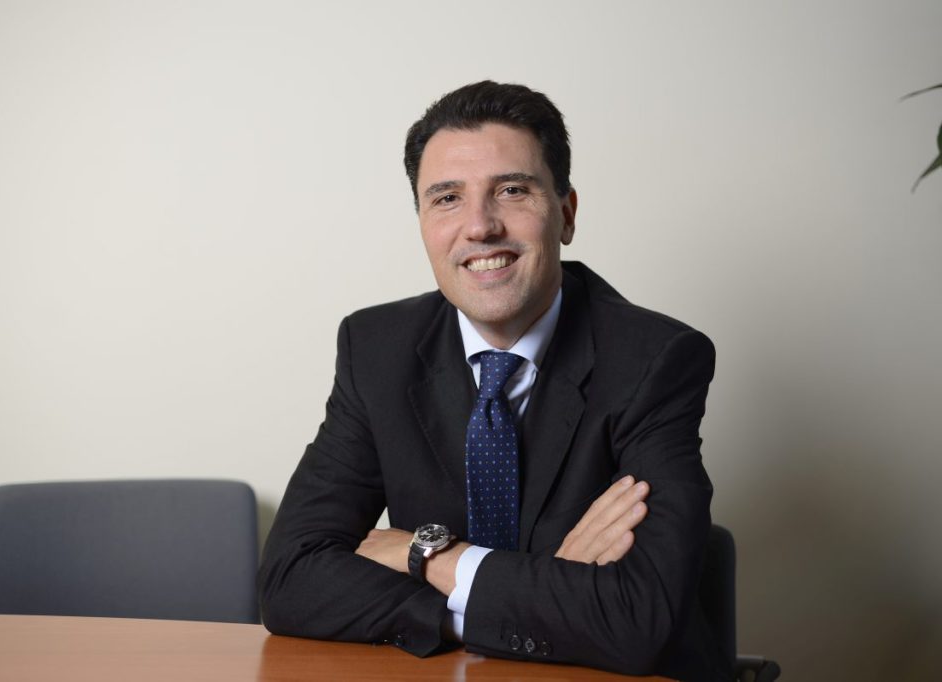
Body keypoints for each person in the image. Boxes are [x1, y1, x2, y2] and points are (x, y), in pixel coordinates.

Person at [258, 81, 730, 681]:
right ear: (422, 222)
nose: (479, 227)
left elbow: (636, 619)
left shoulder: (655, 360)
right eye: (447, 198)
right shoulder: (375, 349)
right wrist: (530, 596)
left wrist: (429, 557)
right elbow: (289, 581)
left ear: (566, 214)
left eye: (512, 191)